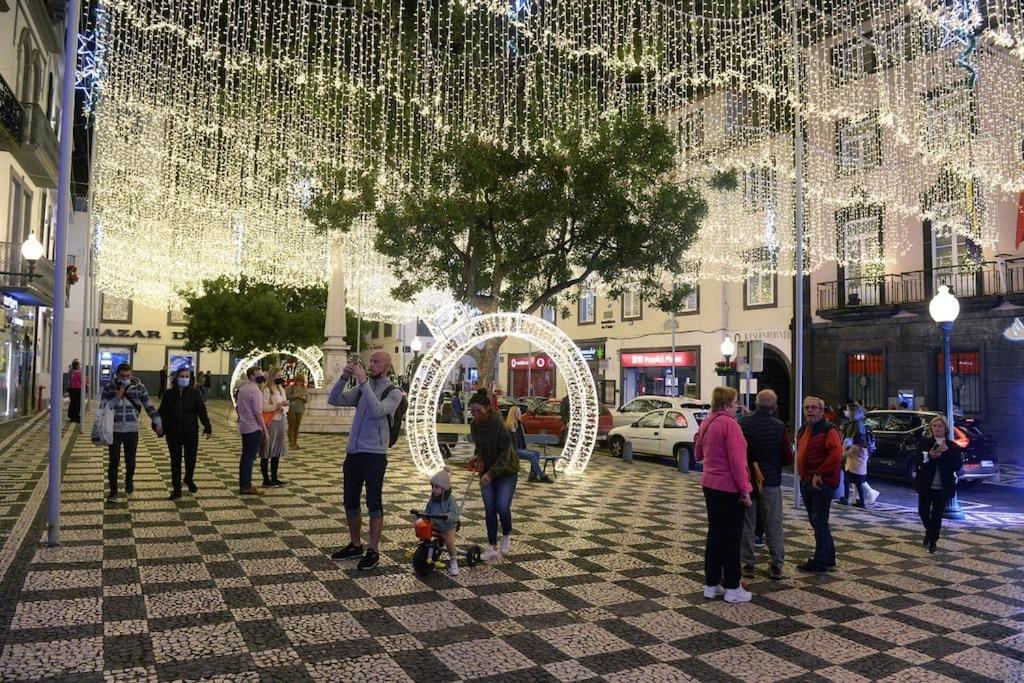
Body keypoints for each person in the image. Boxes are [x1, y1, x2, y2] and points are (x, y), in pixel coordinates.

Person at [328, 351, 404, 570]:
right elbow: (334, 400)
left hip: (375, 455)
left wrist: (363, 382)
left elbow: (378, 410)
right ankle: (355, 543)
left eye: (376, 361)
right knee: (350, 500)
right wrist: (343, 378)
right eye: (370, 361)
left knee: (373, 502)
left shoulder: (394, 392)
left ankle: (373, 549)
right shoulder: (363, 389)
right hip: (354, 452)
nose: (371, 364)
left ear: (387, 366)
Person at [695, 386, 753, 603]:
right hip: (729, 488)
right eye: (735, 402)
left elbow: (698, 453)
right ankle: (732, 587)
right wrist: (745, 490)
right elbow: (738, 463)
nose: (737, 406)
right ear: (728, 404)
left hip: (709, 484)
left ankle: (711, 584)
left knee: (715, 535)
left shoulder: (707, 422)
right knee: (731, 538)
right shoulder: (731, 425)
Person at [739, 389, 790, 581]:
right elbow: (787, 458)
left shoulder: (744, 423)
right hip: (771, 482)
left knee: (747, 524)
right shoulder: (779, 427)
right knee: (773, 525)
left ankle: (747, 565)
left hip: (748, 481)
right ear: (775, 407)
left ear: (756, 404)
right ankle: (776, 566)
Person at [469, 390, 520, 561]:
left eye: (479, 411)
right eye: (473, 411)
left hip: (507, 470)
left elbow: (505, 454)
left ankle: (506, 535)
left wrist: (491, 474)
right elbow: (480, 446)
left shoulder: (499, 425)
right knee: (490, 508)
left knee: (502, 507)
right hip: (487, 470)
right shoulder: (474, 426)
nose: (476, 415)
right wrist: (477, 457)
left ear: (488, 408)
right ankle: (491, 546)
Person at [100, 363, 162, 501]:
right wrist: (117, 397)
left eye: (128, 375)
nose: (126, 378)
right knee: (114, 461)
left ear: (131, 374)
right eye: (123, 376)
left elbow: (149, 406)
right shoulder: (109, 387)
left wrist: (158, 422)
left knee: (131, 461)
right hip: (114, 430)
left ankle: (129, 481)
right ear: (117, 375)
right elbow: (103, 407)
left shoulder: (139, 387)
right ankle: (113, 492)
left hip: (132, 429)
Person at [796, 396, 843, 573]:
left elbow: (835, 455)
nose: (810, 411)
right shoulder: (804, 429)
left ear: (821, 411)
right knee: (817, 521)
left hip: (821, 482)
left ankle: (821, 561)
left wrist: (819, 473)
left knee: (819, 521)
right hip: (807, 480)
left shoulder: (828, 429)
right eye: (807, 408)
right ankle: (828, 557)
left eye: (814, 408)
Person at [158, 368, 212, 500]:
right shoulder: (169, 394)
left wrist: (207, 427)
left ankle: (188, 478)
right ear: (176, 378)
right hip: (173, 432)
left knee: (191, 459)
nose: (184, 378)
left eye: (187, 376)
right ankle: (176, 489)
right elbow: (162, 412)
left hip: (191, 431)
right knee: (175, 461)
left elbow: (202, 411)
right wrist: (157, 426)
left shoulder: (195, 393)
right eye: (182, 376)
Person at [916, 416, 963, 554]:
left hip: (942, 487)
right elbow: (917, 460)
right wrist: (929, 456)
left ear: (945, 429)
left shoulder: (952, 446)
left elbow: (957, 465)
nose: (937, 428)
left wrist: (945, 452)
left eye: (940, 426)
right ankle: (930, 532)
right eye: (934, 426)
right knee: (923, 512)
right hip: (926, 484)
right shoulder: (925, 442)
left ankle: (933, 541)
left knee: (937, 515)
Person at [236, 366, 269, 495]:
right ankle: (246, 486)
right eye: (258, 374)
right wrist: (264, 429)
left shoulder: (243, 388)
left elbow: (238, 407)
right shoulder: (255, 391)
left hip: (244, 425)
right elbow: (258, 412)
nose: (261, 376)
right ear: (251, 376)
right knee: (249, 457)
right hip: (253, 427)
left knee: (245, 456)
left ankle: (244, 483)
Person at [424, 467, 460, 576]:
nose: (433, 489)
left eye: (436, 487)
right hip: (435, 524)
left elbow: (455, 513)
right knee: (424, 532)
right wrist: (424, 517)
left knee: (449, 543)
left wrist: (448, 516)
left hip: (448, 526)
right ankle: (425, 551)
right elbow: (428, 510)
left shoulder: (450, 500)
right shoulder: (433, 499)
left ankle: (453, 561)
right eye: (432, 487)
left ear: (444, 488)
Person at [505, 406, 552, 483]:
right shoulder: (510, 426)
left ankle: (532, 475)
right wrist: (513, 432)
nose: (520, 414)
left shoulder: (519, 424)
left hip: (521, 448)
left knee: (536, 453)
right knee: (532, 455)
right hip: (514, 450)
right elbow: (511, 442)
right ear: (514, 414)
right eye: (518, 412)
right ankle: (541, 475)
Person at [260, 366, 290, 488]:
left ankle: (274, 477)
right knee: (268, 449)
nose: (280, 378)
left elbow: (285, 404)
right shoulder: (267, 389)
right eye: (278, 376)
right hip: (271, 421)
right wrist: (276, 406)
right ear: (272, 376)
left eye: (281, 376)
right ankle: (266, 479)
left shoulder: (281, 389)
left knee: (277, 449)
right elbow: (262, 407)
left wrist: (283, 407)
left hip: (281, 419)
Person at [839, 402, 870, 508]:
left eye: (848, 410)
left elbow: (857, 439)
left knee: (850, 480)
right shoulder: (854, 423)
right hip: (855, 457)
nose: (846, 412)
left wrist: (846, 449)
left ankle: (848, 498)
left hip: (855, 455)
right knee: (856, 482)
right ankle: (857, 500)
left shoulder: (858, 424)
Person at [286, 372, 310, 449]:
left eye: (301, 381)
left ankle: (295, 442)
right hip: (292, 408)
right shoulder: (291, 387)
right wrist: (296, 396)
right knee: (291, 426)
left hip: (300, 408)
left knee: (297, 426)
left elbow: (306, 399)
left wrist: (303, 398)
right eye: (299, 381)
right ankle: (291, 442)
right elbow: (287, 397)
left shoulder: (304, 388)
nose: (300, 382)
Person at [67, 359, 82, 424]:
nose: (79, 366)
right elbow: (81, 380)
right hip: (77, 389)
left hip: (71, 389)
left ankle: (71, 416)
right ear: (76, 365)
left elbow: (69, 380)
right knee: (77, 403)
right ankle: (76, 417)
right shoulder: (78, 372)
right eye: (79, 365)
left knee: (73, 403)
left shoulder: (71, 371)